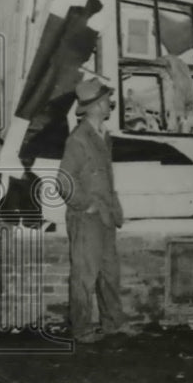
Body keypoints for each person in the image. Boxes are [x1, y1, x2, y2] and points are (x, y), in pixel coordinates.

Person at [58, 78, 126, 344]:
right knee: (85, 275)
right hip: (86, 218)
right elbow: (63, 180)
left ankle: (114, 323)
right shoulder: (79, 139)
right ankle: (82, 329)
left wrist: (112, 206)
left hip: (106, 216)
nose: (111, 102)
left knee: (110, 273)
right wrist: (86, 204)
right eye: (107, 98)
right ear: (97, 105)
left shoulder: (102, 134)